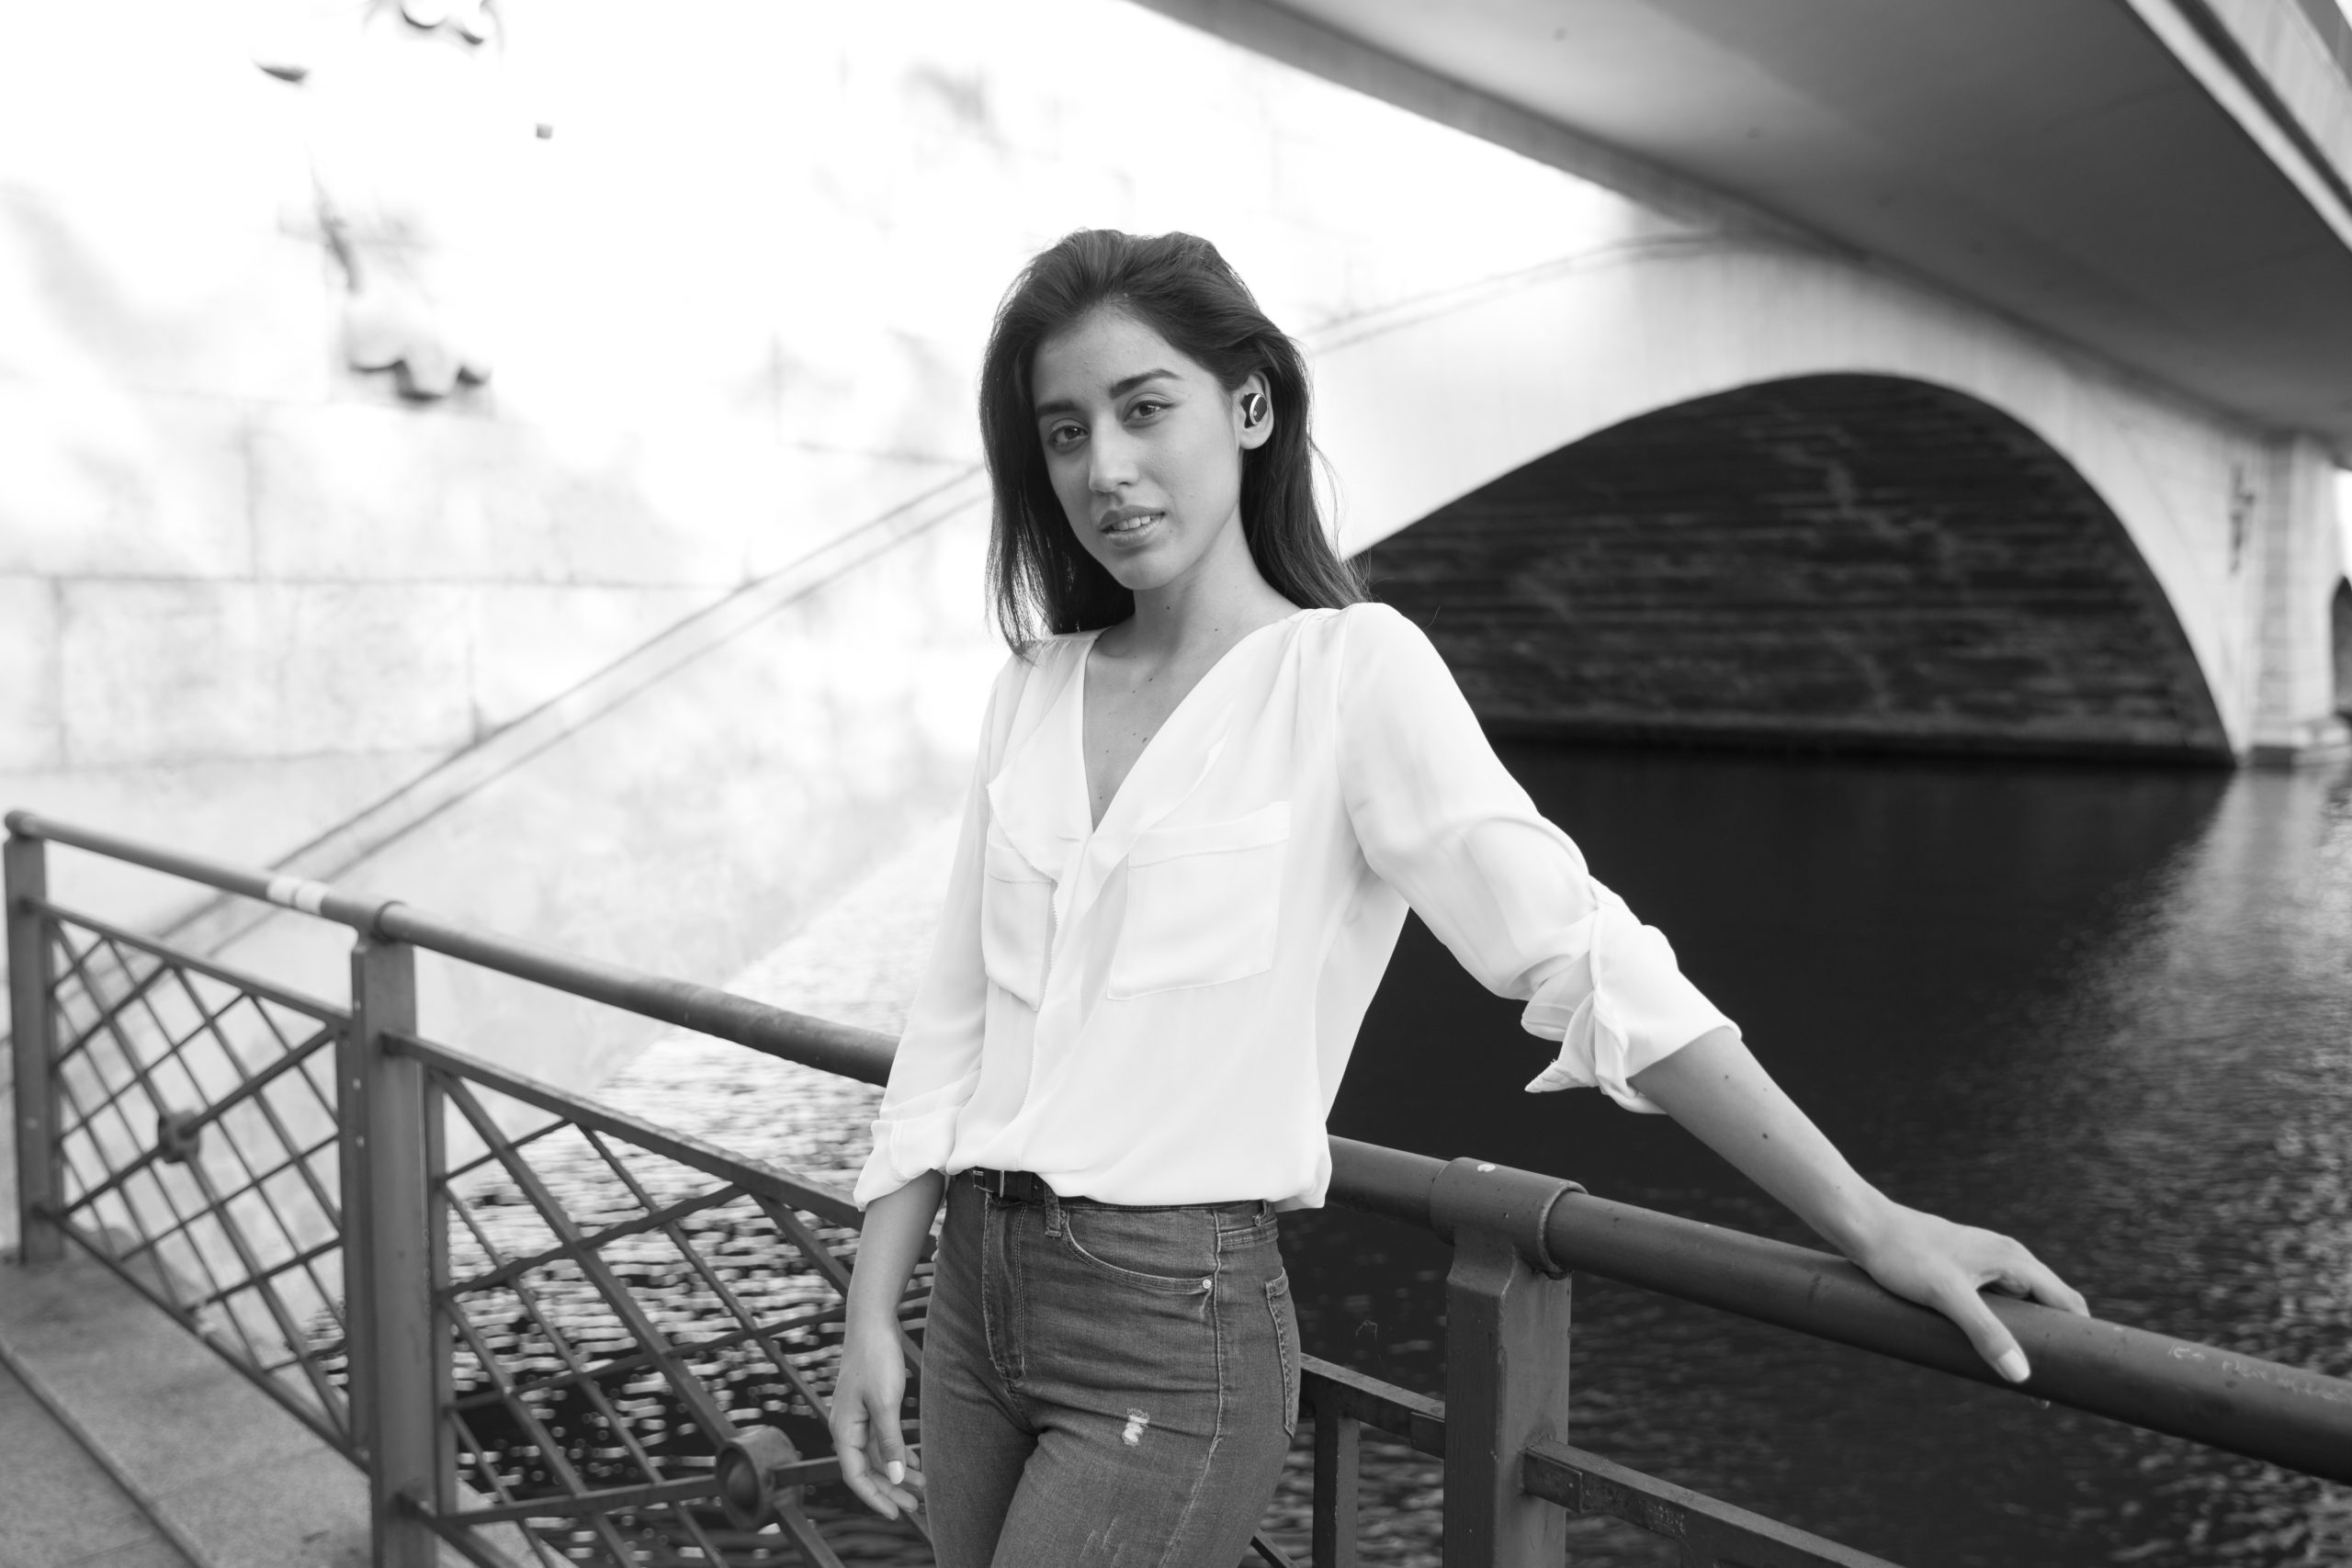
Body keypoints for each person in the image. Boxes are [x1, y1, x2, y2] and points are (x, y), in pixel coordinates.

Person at [828, 228, 2087, 1565]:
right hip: (969, 1306)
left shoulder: (1350, 673)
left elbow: (1583, 955)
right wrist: (869, 1311)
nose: (1106, 469)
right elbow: (952, 1026)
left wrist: (1871, 1221)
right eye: (1066, 432)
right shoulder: (1033, 687)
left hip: (1163, 1330)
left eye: (1146, 410)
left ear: (1249, 407)